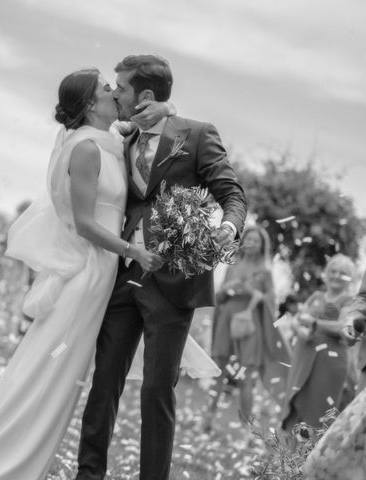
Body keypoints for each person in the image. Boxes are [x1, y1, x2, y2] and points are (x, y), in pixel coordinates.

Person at [0, 67, 222, 479]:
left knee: (62, 370)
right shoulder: (87, 149)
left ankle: (19, 453)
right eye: (107, 89)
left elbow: (159, 127)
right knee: (52, 368)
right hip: (91, 271)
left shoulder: (112, 140)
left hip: (108, 273)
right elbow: (85, 223)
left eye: (117, 86)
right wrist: (133, 251)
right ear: (91, 104)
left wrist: (168, 107)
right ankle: (4, 458)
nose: (114, 92)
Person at [75, 55, 247, 480]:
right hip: (123, 275)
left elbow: (233, 193)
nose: (115, 93)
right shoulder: (123, 135)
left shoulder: (198, 135)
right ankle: (88, 473)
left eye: (122, 87)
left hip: (174, 281)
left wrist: (228, 226)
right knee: (104, 383)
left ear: (145, 95)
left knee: (157, 391)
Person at [205, 225, 291, 431]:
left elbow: (272, 303)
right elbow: (219, 297)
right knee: (218, 370)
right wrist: (226, 289)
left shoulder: (265, 271)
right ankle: (207, 420)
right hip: (227, 319)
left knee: (246, 376)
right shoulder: (232, 265)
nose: (251, 243)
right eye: (248, 239)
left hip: (251, 324)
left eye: (256, 240)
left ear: (263, 246)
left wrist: (255, 292)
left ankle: (247, 428)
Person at [281, 254, 357, 431]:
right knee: (295, 403)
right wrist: (298, 329)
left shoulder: (349, 301)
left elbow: (343, 327)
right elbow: (298, 320)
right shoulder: (316, 295)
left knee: (317, 411)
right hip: (303, 357)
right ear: (326, 273)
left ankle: (306, 457)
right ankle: (286, 454)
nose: (337, 276)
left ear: (350, 278)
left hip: (328, 365)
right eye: (333, 271)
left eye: (343, 273)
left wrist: (316, 323)